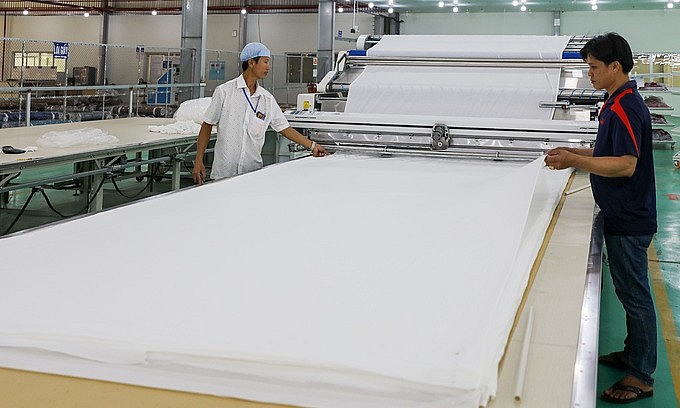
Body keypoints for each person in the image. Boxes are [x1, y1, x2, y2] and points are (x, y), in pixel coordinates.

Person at [545, 33, 657, 404]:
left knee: (635, 295)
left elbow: (625, 164)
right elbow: (607, 150)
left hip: (629, 217)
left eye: (593, 67)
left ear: (614, 67)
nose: (588, 73)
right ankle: (632, 353)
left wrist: (576, 162)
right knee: (628, 292)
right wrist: (572, 151)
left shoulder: (625, 106)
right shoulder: (616, 101)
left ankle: (641, 375)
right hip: (623, 212)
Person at [192, 42, 327, 183]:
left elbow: (284, 128)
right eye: (265, 62)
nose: (268, 67)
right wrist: (198, 159)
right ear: (251, 62)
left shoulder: (266, 99)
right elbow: (207, 125)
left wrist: (312, 146)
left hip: (252, 174)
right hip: (224, 173)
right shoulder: (224, 92)